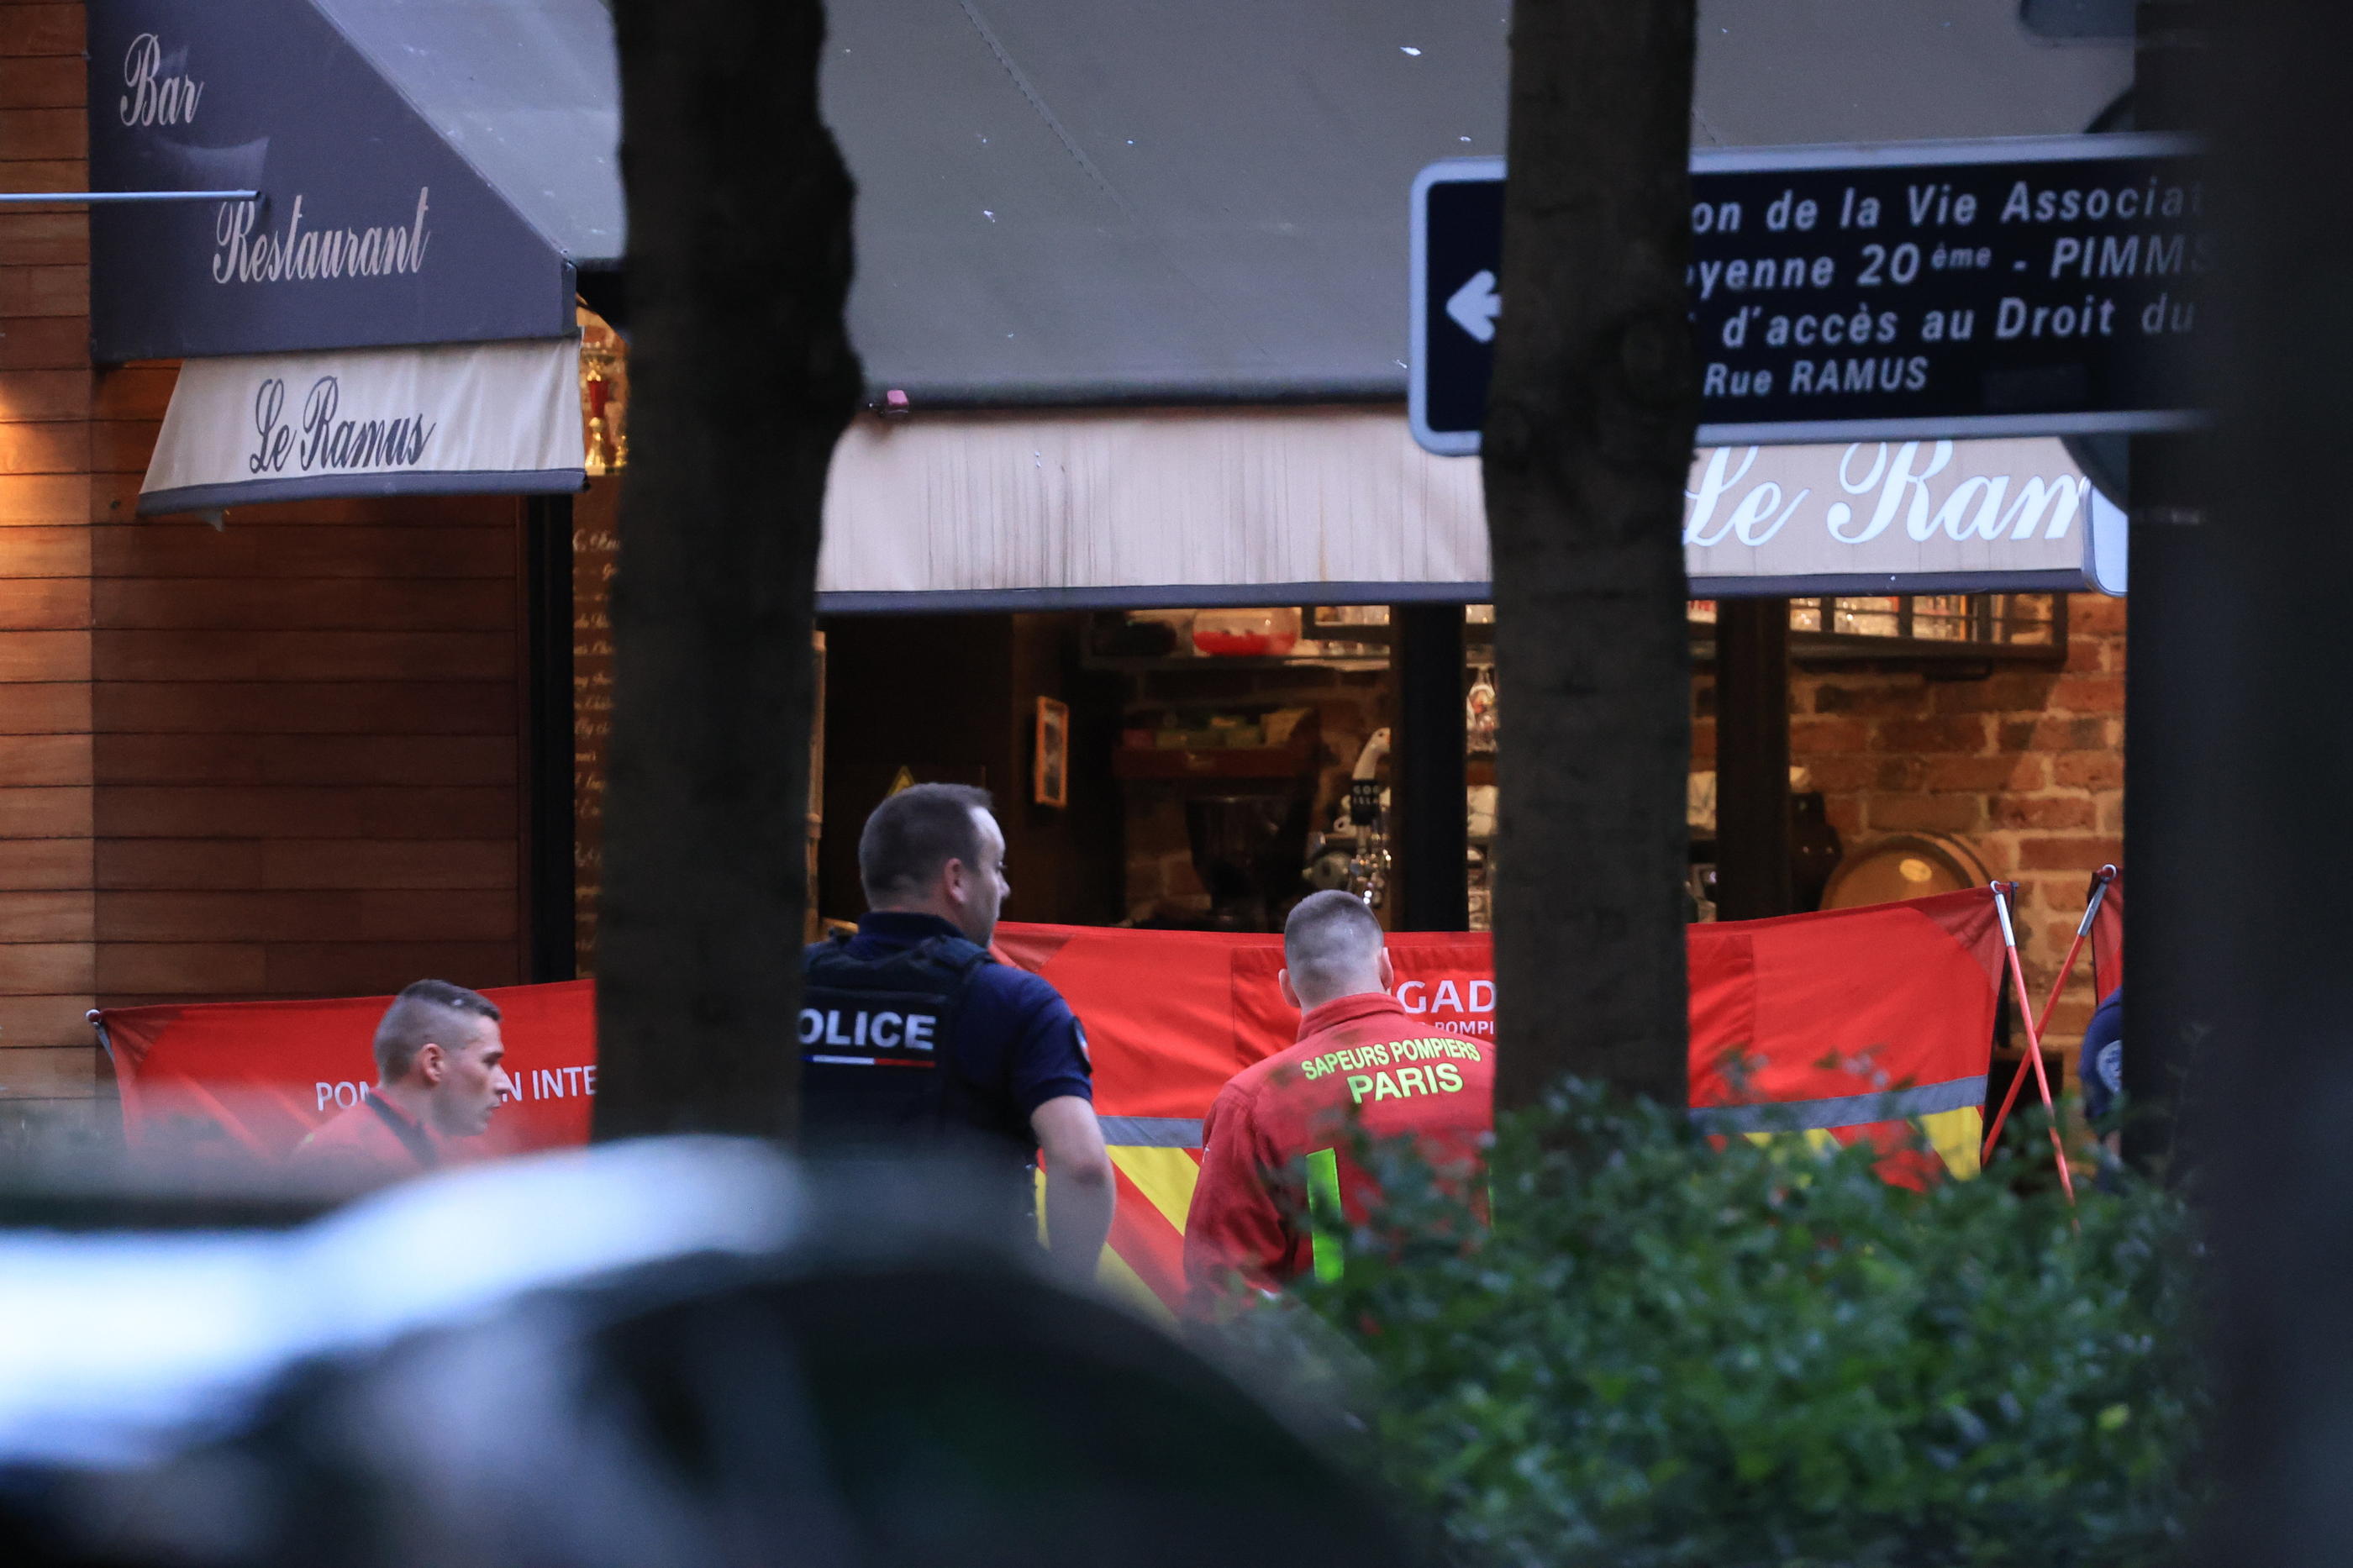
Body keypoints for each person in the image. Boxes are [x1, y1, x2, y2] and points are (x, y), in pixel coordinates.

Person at [802, 782, 1113, 1281]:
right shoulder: (1016, 1002)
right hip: (969, 1314)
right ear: (957, 879)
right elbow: (1083, 1168)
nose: (1004, 887)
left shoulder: (783, 988)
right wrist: (1061, 1300)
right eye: (997, 867)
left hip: (805, 1301)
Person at [1182, 891, 1495, 1313]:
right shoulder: (1489, 1066)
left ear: (1288, 989)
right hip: (1497, 1359)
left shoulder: (1254, 1102)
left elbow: (1223, 1293)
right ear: (1387, 968)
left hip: (1341, 1367)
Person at [288, 980, 513, 1187]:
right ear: (434, 1063)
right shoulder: (342, 1159)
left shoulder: (437, 1144)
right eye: (489, 1062)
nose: (505, 1084)